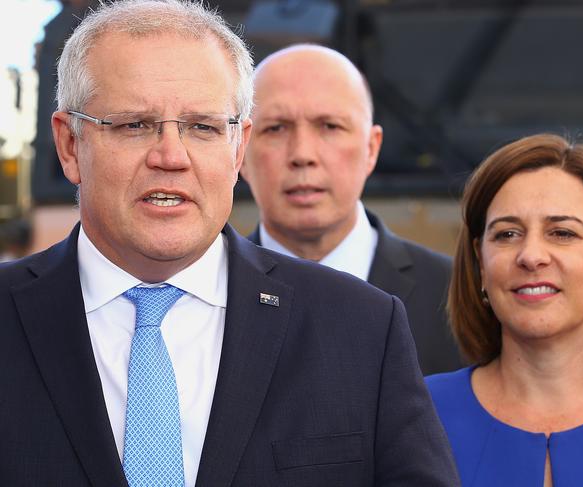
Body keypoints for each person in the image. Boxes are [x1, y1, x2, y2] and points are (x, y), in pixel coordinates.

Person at [0, 1, 460, 486]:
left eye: (202, 127)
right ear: (70, 145)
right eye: (134, 124)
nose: (171, 157)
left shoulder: (363, 328)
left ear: (238, 149)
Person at [426, 133, 583, 486]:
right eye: (507, 234)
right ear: (481, 264)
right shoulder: (418, 414)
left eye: (562, 233)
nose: (530, 256)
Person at [241, 44, 463, 375]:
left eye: (329, 126)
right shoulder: (205, 294)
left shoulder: (457, 294)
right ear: (239, 151)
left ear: (372, 148)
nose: (303, 154)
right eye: (275, 128)